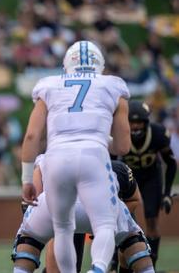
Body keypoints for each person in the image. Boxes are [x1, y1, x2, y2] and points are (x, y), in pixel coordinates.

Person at [20, 40, 131, 272]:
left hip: (56, 158)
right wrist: (102, 139)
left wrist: (26, 179)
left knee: (62, 228)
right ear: (99, 65)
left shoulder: (49, 85)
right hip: (93, 156)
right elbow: (123, 147)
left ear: (66, 65)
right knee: (105, 225)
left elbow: (31, 136)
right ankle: (98, 268)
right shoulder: (113, 86)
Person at [12, 155, 154, 273]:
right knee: (131, 239)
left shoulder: (48, 157)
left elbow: (34, 198)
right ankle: (101, 268)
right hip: (101, 205)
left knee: (29, 239)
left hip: (59, 205)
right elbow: (123, 146)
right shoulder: (115, 167)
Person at [121, 100, 177, 267]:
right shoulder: (119, 133)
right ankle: (117, 260)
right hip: (129, 177)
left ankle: (152, 261)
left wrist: (166, 193)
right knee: (122, 219)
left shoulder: (158, 134)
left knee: (151, 220)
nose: (135, 126)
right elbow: (111, 162)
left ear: (146, 122)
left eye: (139, 122)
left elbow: (171, 162)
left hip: (152, 177)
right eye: (132, 122)